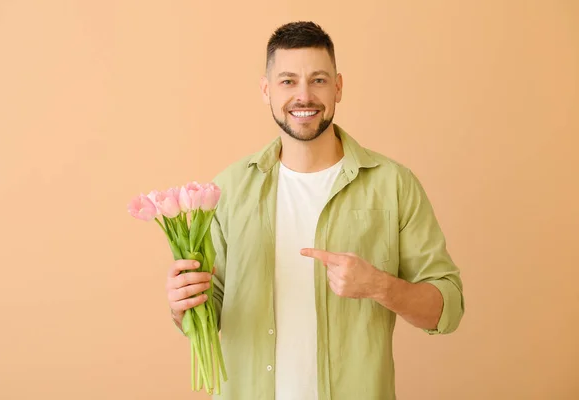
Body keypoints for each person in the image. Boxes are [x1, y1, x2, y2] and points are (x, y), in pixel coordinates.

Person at [165, 21, 464, 400]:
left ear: (338, 86)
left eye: (318, 80)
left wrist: (379, 286)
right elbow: (212, 312)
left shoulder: (394, 185)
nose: (304, 96)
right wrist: (182, 305)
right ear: (266, 90)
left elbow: (447, 308)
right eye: (288, 81)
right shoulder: (228, 190)